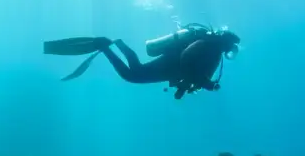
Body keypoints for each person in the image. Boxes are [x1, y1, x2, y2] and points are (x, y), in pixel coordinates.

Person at [44, 24, 240, 100]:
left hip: (171, 69)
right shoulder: (207, 45)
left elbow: (195, 72)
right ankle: (104, 46)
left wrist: (186, 86)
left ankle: (114, 45)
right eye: (232, 47)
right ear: (227, 43)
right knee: (133, 75)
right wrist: (205, 83)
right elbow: (188, 58)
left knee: (135, 72)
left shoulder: (213, 51)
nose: (231, 51)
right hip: (170, 66)